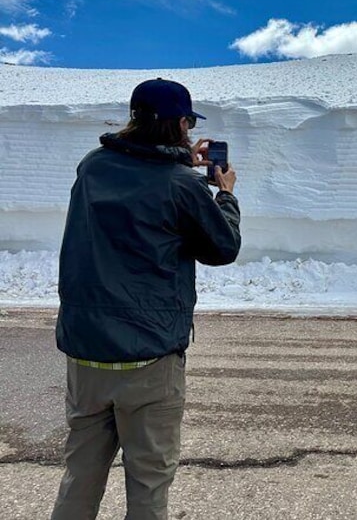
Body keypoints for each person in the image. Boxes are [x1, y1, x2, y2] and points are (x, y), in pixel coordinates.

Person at [51, 78, 241, 520]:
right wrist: (224, 193)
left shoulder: (93, 166)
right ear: (179, 123)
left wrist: (177, 161)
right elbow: (222, 246)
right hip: (149, 358)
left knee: (80, 477)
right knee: (148, 485)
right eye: (189, 122)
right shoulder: (181, 186)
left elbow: (139, 193)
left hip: (87, 354)